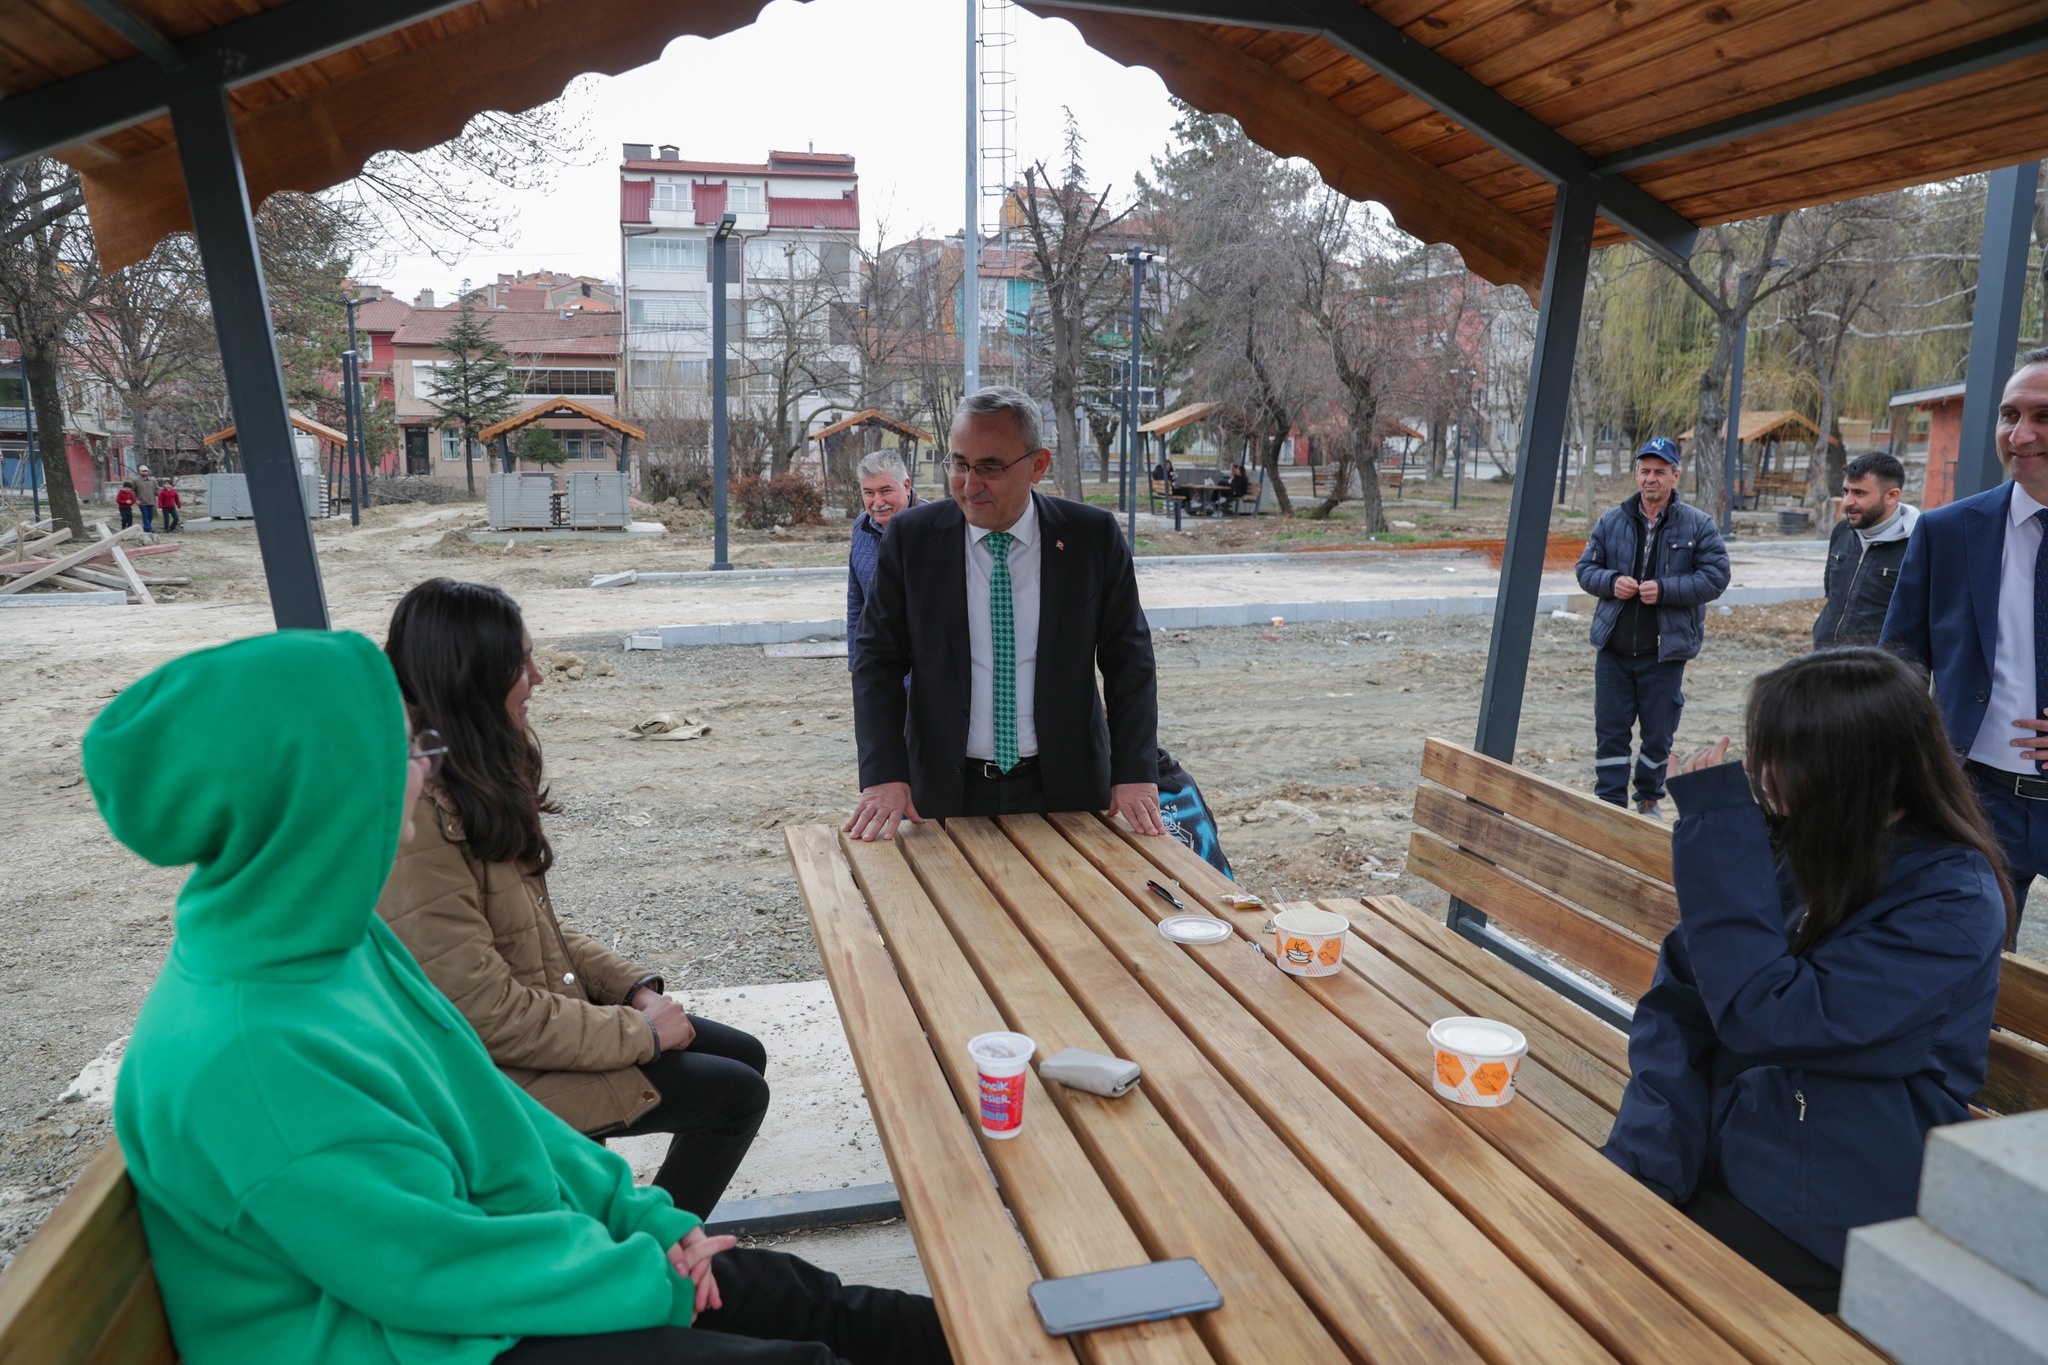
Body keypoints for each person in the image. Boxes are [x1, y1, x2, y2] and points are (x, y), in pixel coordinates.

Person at [87, 630, 949, 1364]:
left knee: (799, 1296)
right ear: (314, 789)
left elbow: (494, 1107)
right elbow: (427, 1268)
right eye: (403, 749)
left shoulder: (335, 942)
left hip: (468, 1292)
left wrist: (644, 1216)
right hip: (418, 1338)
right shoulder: (247, 1048)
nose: (426, 770)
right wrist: (644, 1273)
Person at [1602, 647, 2009, 1313]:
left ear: (1851, 769)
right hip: (1726, 1149)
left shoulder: (1953, 901)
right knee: (1561, 1240)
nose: (1758, 777)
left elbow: (1771, 1018)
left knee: (1611, 1301)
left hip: (1833, 1204)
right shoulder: (1807, 841)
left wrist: (1721, 844)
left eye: (1778, 756)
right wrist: (1650, 1156)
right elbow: (1682, 1005)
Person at [378, 578, 769, 1220]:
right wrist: (637, 1031)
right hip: (487, 1083)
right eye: (520, 663)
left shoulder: (466, 768)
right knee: (735, 1094)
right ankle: (652, 1259)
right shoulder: (415, 817)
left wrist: (631, 986)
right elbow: (484, 1016)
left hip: (526, 1030)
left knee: (742, 1055)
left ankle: (645, 1235)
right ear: (472, 676)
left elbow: (534, 927)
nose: (537, 676)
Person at [845, 385, 1164, 839]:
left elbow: (1129, 661)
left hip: (1068, 787)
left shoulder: (1091, 538)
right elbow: (876, 661)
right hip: (940, 788)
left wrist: (1134, 770)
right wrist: (883, 773)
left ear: (1038, 465)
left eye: (990, 468)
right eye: (959, 464)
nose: (970, 486)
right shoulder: (912, 539)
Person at [1883, 345, 2048, 937]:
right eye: (2010, 415)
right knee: (1967, 976)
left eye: (2044, 416)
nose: (2020, 433)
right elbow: (1896, 667)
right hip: (1977, 799)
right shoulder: (1946, 530)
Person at [1575, 436, 1731, 816]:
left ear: (1675, 476)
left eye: (1660, 472)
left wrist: (1664, 590)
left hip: (1664, 651)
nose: (1651, 479)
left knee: (1657, 735)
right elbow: (1585, 570)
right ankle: (1609, 803)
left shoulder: (1698, 525)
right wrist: (1612, 582)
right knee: (1611, 732)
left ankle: (1648, 800)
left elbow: (1716, 577)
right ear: (1636, 475)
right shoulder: (1612, 521)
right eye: (1645, 471)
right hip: (1614, 649)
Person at [1813, 452, 1915, 648]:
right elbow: (1832, 595)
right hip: (1826, 663)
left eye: (1859, 493)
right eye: (1846, 491)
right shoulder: (1842, 531)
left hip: (1880, 672)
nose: (1846, 502)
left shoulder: (1920, 544)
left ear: (1891, 496)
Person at [846, 451, 915, 674]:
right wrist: (857, 666)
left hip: (924, 673)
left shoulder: (935, 528)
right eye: (869, 492)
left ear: (906, 486)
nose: (878, 502)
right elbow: (857, 603)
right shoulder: (861, 527)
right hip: (878, 667)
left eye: (886, 490)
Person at [135, 464, 158, 533]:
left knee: (150, 515)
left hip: (151, 500)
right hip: (141, 501)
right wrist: (136, 499)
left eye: (146, 471)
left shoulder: (152, 480)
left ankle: (147, 527)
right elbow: (132, 490)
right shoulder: (136, 480)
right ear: (140, 472)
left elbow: (156, 489)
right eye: (143, 471)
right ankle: (147, 529)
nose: (145, 472)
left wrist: (158, 495)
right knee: (145, 515)